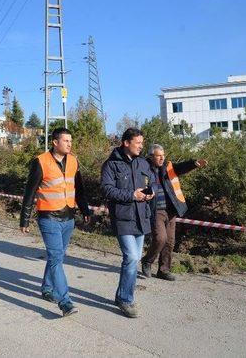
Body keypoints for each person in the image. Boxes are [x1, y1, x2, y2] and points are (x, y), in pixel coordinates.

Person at [20, 127, 91, 317]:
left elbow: (80, 189)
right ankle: (65, 301)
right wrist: (24, 219)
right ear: (55, 142)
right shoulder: (40, 162)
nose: (70, 144)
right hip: (49, 218)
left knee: (56, 257)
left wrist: (85, 209)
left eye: (70, 141)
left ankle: (47, 287)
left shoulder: (74, 161)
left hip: (68, 218)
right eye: (66, 141)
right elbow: (30, 192)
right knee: (56, 257)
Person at [101, 128, 155, 318]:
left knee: (134, 259)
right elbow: (107, 190)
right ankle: (126, 300)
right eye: (138, 143)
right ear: (126, 143)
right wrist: (131, 195)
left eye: (142, 142)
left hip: (141, 217)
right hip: (123, 218)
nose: (141, 146)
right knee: (132, 257)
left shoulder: (142, 163)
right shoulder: (111, 165)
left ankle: (121, 295)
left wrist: (151, 191)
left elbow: (152, 180)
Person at [141, 144, 207, 281]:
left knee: (170, 241)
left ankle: (163, 270)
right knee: (160, 239)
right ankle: (147, 261)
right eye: (158, 155)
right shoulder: (143, 168)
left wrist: (193, 163)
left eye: (163, 155)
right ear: (151, 156)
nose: (162, 158)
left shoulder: (167, 167)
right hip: (155, 210)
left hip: (171, 210)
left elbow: (180, 167)